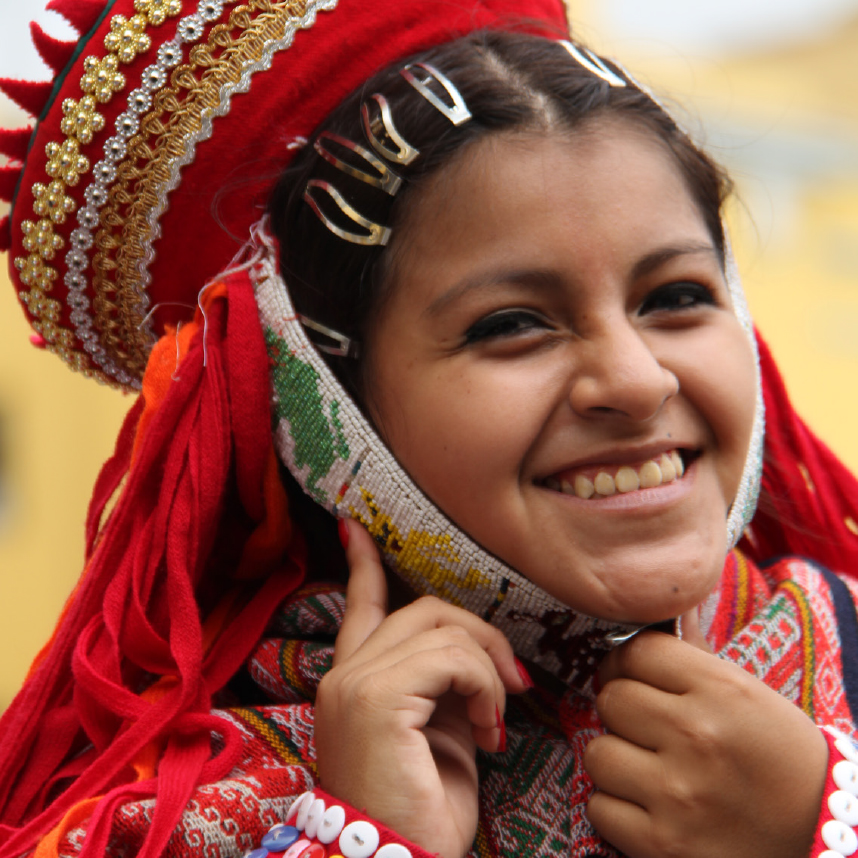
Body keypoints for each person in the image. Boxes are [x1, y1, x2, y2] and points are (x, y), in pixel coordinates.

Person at [1, 1, 858, 857]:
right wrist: (372, 839)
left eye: (675, 297)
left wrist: (818, 825)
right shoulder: (186, 806)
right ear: (322, 405)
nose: (636, 381)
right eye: (511, 324)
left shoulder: (839, 653)